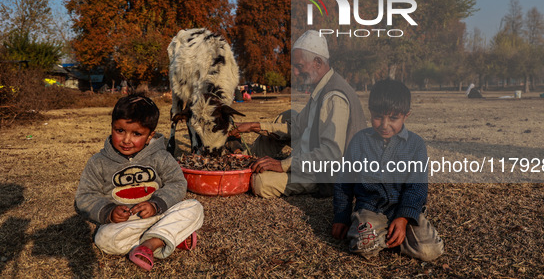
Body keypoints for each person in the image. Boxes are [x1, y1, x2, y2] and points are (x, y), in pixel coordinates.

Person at [229, 30, 366, 198]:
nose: (295, 73)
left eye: (299, 66)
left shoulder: (334, 97)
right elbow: (296, 127)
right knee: (288, 116)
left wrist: (283, 165)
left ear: (317, 62)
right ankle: (243, 157)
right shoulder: (322, 87)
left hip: (328, 174)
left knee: (261, 182)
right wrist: (254, 126)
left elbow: (330, 155)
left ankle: (250, 165)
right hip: (313, 155)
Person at [75, 94, 204, 271]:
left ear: (150, 136)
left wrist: (156, 204)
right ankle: (166, 238)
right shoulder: (98, 162)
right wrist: (109, 212)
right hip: (125, 224)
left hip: (159, 213)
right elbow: (84, 197)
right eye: (120, 131)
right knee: (103, 239)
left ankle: (152, 243)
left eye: (136, 134)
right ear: (112, 127)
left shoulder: (161, 157)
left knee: (194, 208)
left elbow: (177, 184)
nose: (126, 140)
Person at [332, 79, 444, 261]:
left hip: (404, 210)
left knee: (430, 252)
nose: (384, 125)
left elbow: (417, 187)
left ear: (406, 116)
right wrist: (341, 216)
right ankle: (379, 235)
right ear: (370, 111)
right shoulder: (359, 141)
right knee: (362, 246)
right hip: (370, 209)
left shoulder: (415, 145)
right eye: (378, 116)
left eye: (393, 118)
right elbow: (344, 182)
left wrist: (404, 218)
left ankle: (392, 234)